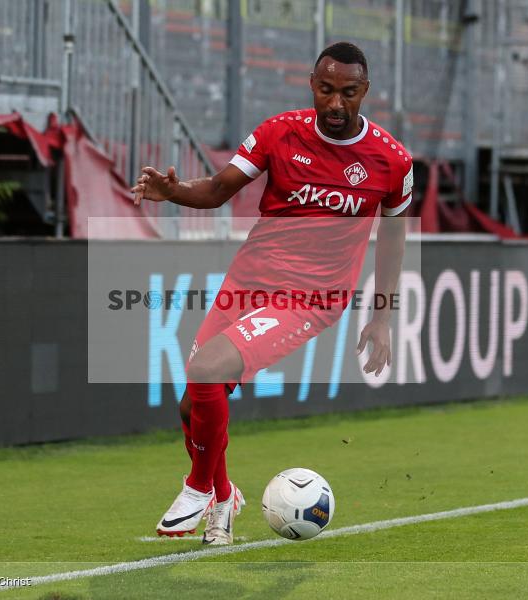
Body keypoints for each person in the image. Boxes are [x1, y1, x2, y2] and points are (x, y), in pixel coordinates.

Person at [131, 42, 413, 545]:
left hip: (311, 297)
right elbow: (218, 190)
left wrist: (382, 316)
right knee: (191, 406)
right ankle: (223, 499)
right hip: (249, 280)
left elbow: (393, 238)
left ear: (364, 92)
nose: (335, 103)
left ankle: (196, 488)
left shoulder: (391, 161)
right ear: (312, 84)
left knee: (205, 370)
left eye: (348, 93)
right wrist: (172, 191)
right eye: (326, 89)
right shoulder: (279, 132)